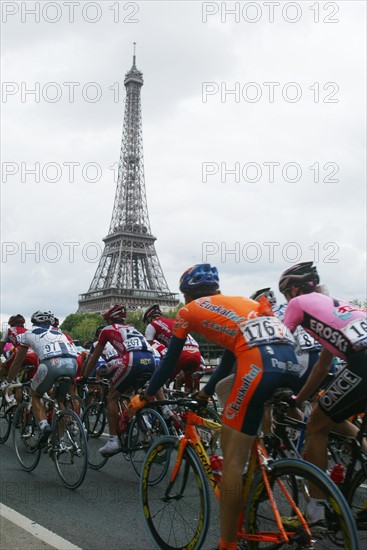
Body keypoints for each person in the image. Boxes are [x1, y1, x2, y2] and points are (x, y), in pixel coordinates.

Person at [130, 263, 303, 550]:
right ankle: (257, 480)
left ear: (186, 295)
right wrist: (207, 391)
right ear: (217, 289)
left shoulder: (188, 311)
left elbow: (170, 361)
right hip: (291, 361)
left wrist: (146, 396)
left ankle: (227, 543)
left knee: (232, 458)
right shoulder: (243, 302)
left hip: (258, 364)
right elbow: (228, 359)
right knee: (234, 406)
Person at [279, 261, 367, 524]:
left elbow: (278, 344)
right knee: (333, 419)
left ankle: (316, 511)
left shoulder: (297, 305)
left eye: (285, 295)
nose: (286, 300)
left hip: (362, 362)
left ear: (294, 290)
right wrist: (299, 399)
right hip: (359, 358)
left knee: (316, 426)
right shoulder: (336, 306)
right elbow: (322, 365)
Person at [83, 304, 156, 456]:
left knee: (112, 395)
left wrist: (84, 377)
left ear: (109, 319)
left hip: (132, 360)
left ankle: (113, 440)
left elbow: (94, 357)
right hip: (150, 360)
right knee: (130, 393)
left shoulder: (107, 330)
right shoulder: (134, 329)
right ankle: (142, 421)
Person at [4, 310, 78, 441]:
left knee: (35, 394)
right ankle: (60, 441)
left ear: (34, 322)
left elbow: (17, 362)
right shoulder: (61, 333)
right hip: (72, 363)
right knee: (59, 400)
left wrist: (9, 381)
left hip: (51, 363)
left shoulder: (28, 333)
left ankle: (44, 426)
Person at [143, 303, 202, 392]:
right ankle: (189, 400)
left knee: (160, 383)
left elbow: (147, 348)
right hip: (196, 352)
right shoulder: (173, 321)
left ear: (149, 318)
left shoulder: (152, 325)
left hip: (180, 354)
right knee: (191, 390)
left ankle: (165, 403)